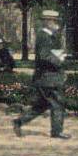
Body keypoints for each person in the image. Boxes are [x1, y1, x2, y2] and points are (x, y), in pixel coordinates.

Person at [13, 10, 69, 139]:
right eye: (55, 22)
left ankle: (19, 121)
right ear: (48, 22)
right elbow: (44, 56)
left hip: (46, 77)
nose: (57, 24)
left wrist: (60, 55)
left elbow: (51, 53)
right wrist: (59, 61)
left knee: (42, 105)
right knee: (57, 103)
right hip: (48, 78)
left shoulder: (49, 36)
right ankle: (56, 132)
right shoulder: (44, 36)